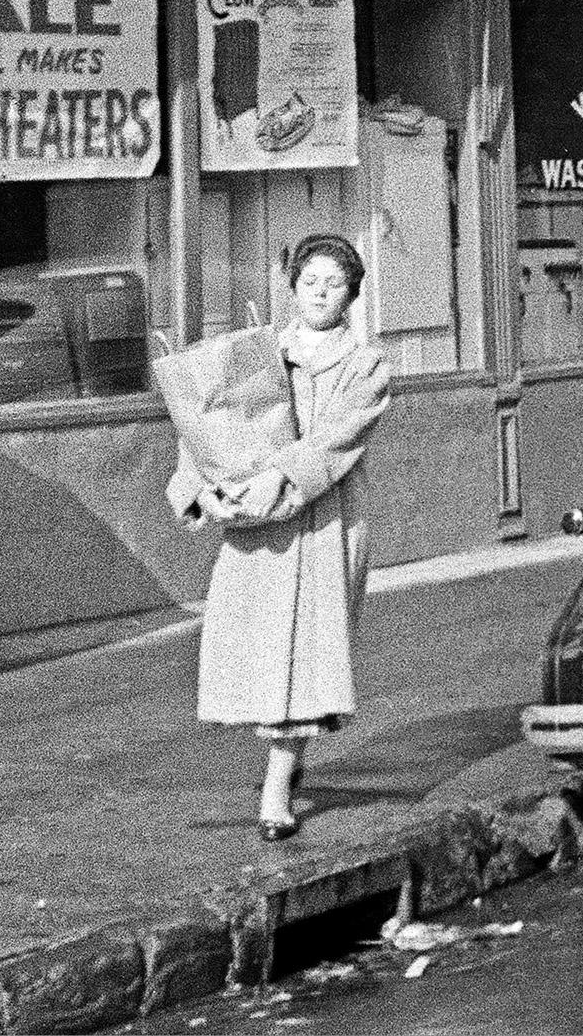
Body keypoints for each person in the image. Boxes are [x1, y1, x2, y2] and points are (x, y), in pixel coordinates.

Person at [170, 234, 391, 838]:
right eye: (310, 281)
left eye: (335, 283)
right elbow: (215, 421)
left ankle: (275, 793)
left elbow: (338, 442)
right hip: (255, 531)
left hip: (322, 521)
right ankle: (287, 763)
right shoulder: (258, 351)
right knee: (260, 648)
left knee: (304, 656)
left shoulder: (367, 364)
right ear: (292, 287)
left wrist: (279, 481)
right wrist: (206, 487)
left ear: (352, 294)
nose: (320, 293)